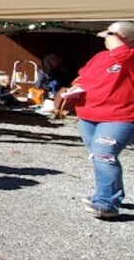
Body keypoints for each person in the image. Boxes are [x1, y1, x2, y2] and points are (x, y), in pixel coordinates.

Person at [64, 21, 134, 219]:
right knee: (98, 155)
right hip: (89, 115)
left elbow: (124, 56)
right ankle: (106, 195)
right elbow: (84, 76)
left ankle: (107, 204)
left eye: (110, 35)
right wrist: (76, 86)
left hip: (120, 116)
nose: (106, 39)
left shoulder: (129, 56)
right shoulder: (101, 57)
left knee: (104, 154)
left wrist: (116, 42)